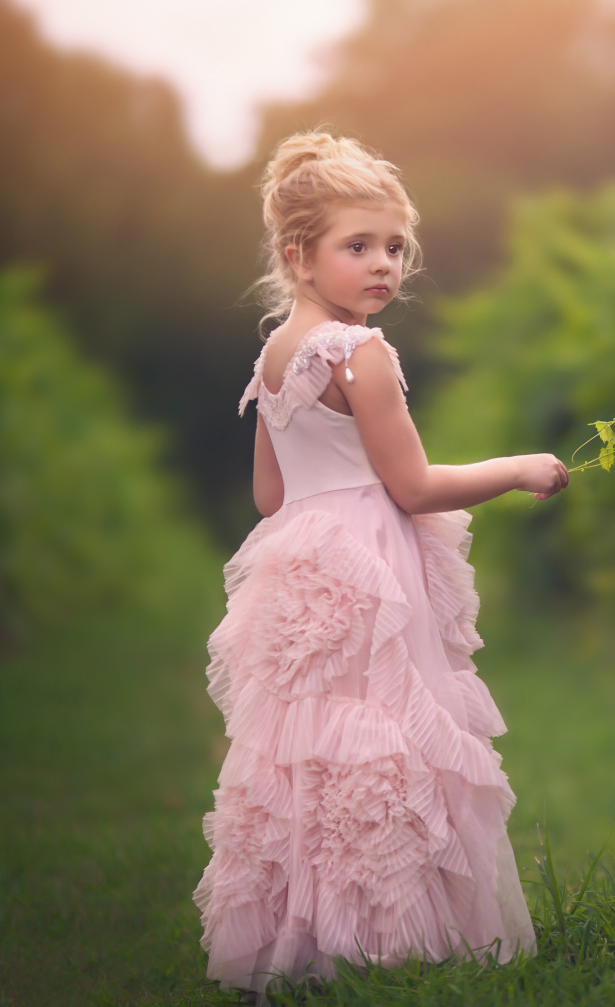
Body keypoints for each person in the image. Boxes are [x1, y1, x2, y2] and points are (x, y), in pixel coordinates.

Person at [194, 132, 565, 1001]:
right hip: (368, 565)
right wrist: (517, 469)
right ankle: (390, 935)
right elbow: (413, 485)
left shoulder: (276, 356)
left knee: (310, 752)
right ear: (299, 255)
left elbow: (270, 495)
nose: (383, 265)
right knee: (385, 741)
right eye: (357, 246)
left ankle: (304, 939)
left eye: (395, 247)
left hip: (302, 570)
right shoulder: (360, 353)